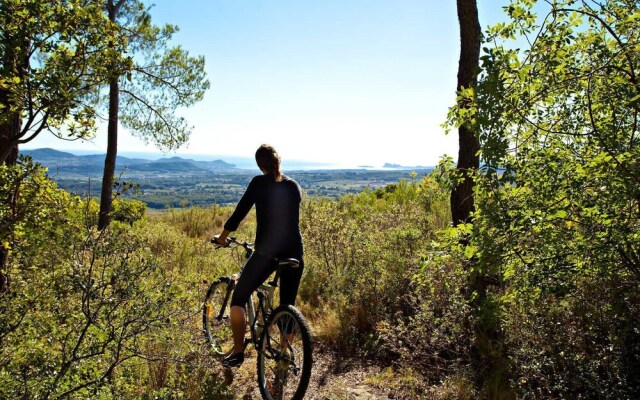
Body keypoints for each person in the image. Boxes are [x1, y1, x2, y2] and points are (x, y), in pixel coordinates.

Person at [213, 144, 304, 368]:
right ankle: (284, 356)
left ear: (259, 164)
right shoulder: (293, 186)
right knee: (287, 305)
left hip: (268, 253)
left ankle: (237, 351)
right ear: (278, 161)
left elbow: (239, 213)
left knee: (239, 299)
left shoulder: (258, 183)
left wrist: (223, 237)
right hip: (295, 253)